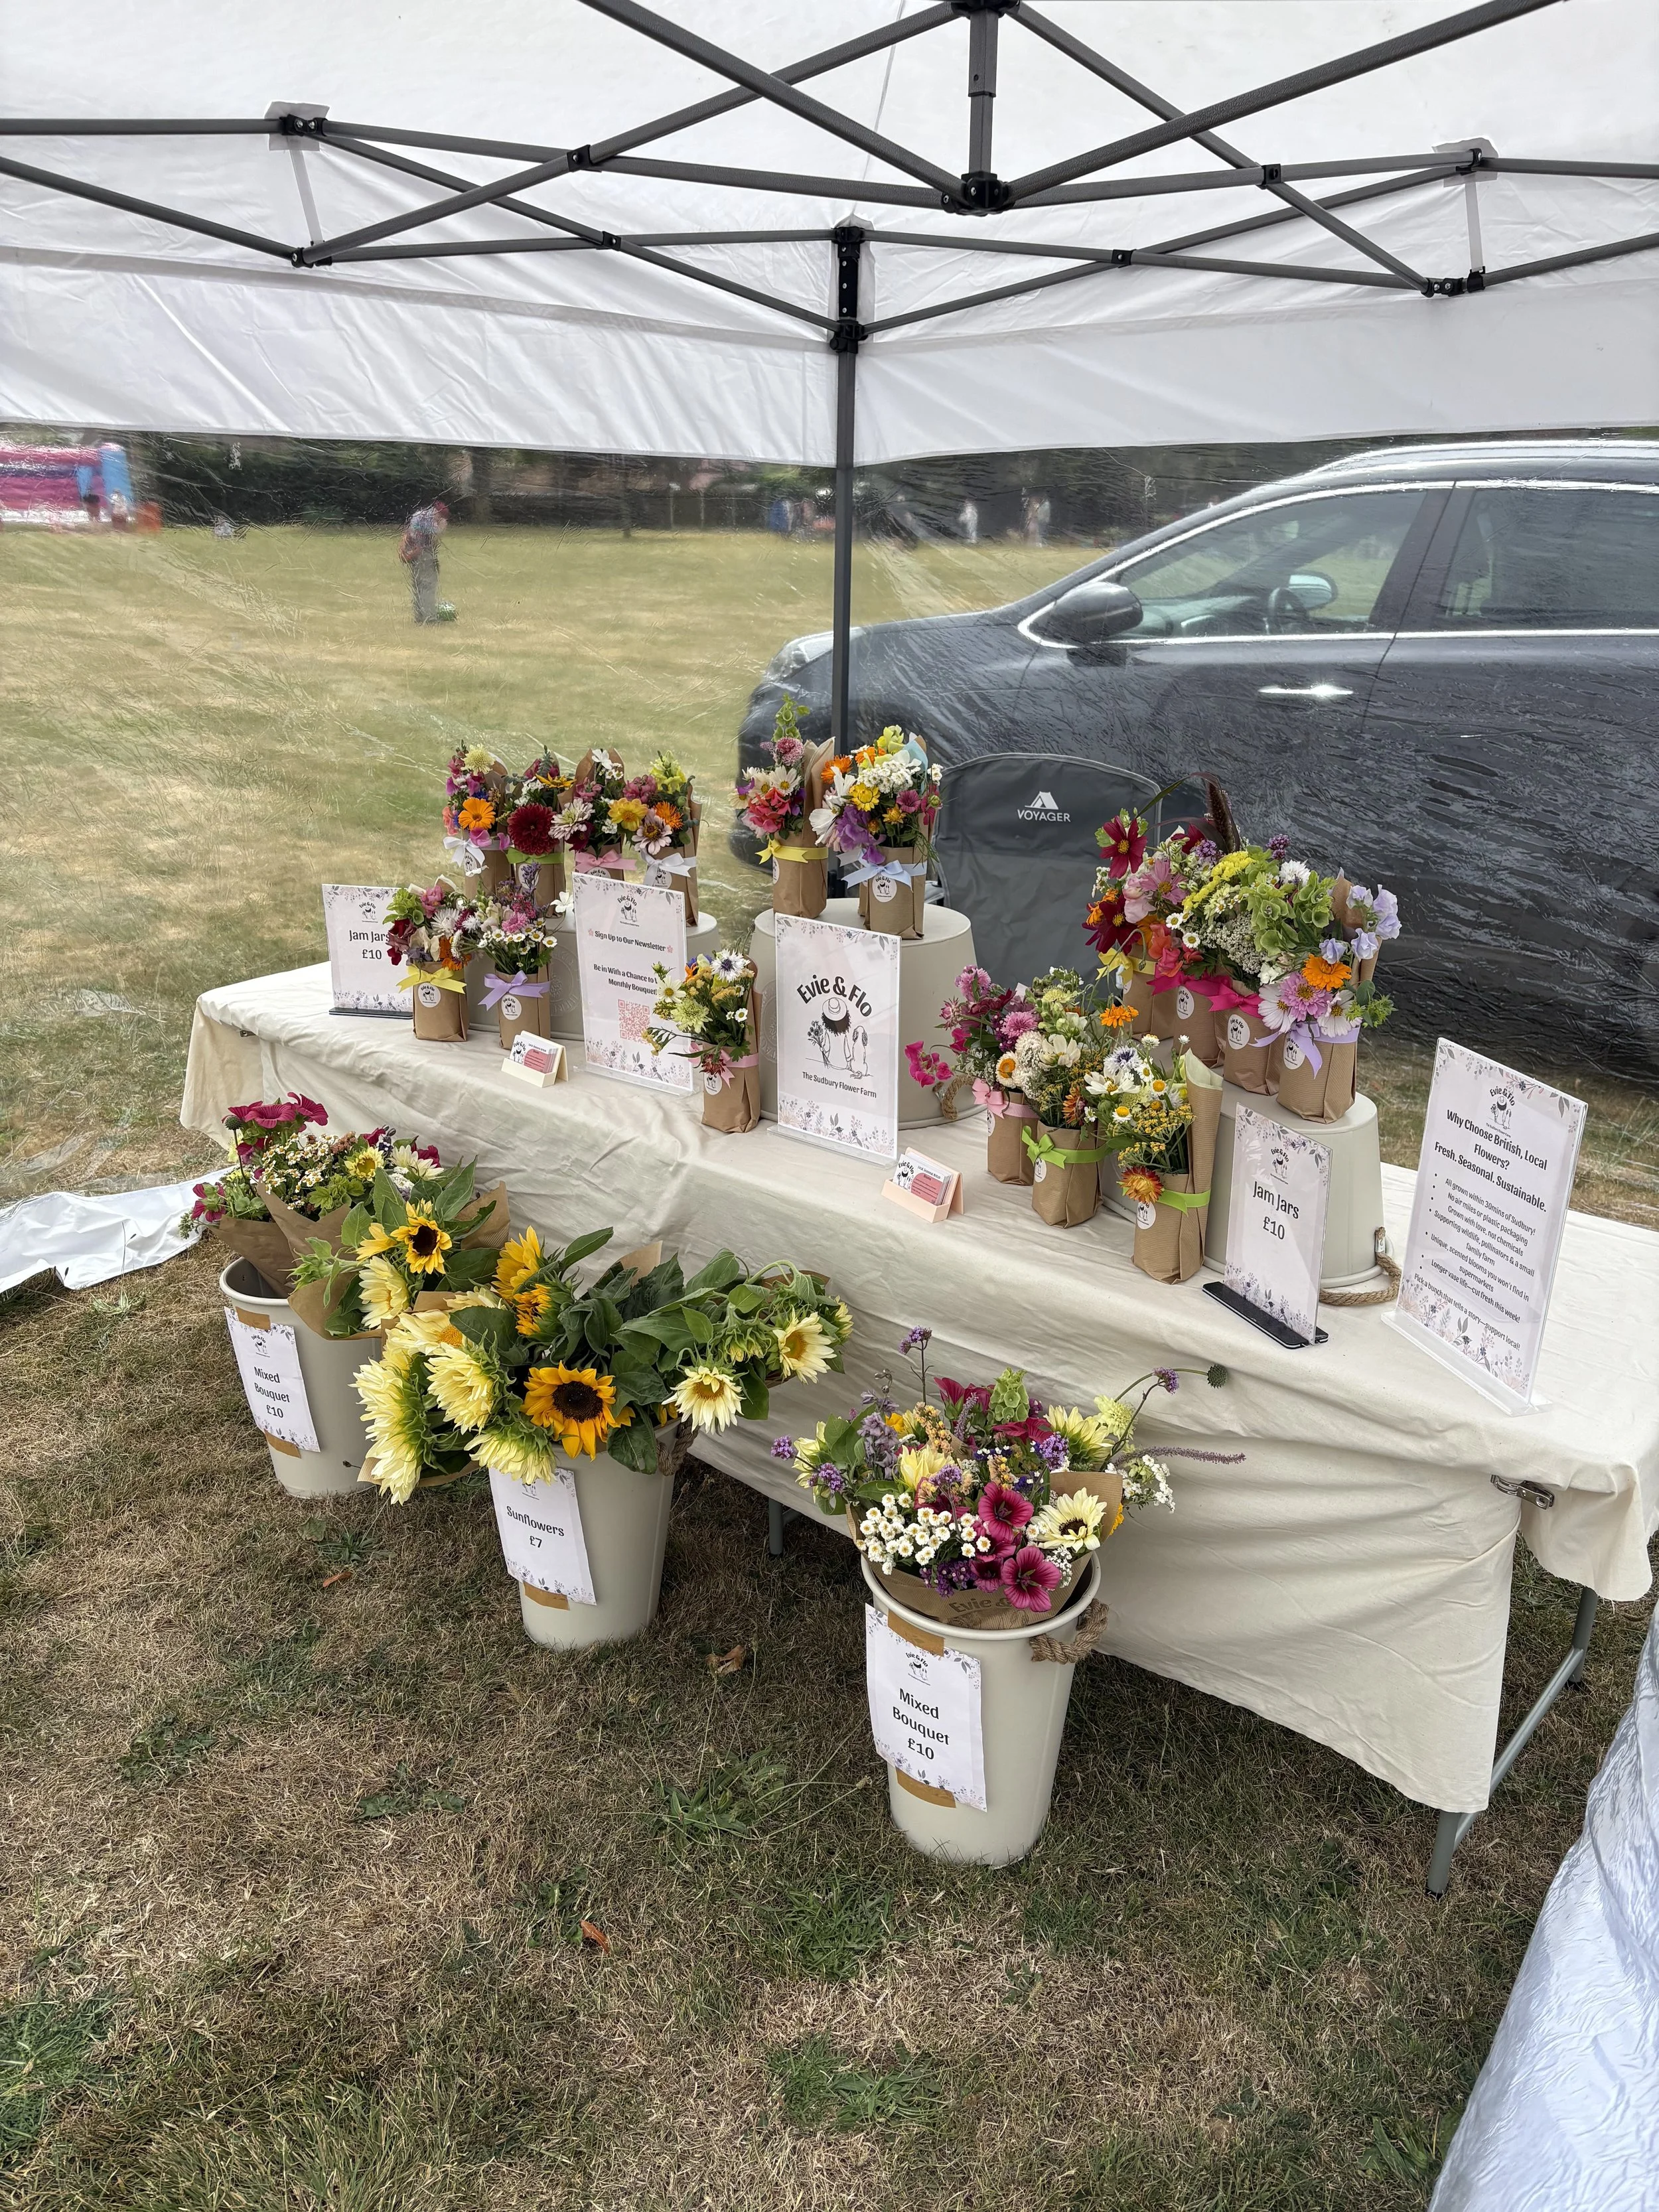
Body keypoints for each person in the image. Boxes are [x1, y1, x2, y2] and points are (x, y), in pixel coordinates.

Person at [399, 499, 449, 623]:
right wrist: (441, 526)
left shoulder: (417, 515)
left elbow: (408, 533)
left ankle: (419, 617)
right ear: (438, 513)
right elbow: (432, 539)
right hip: (424, 554)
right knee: (428, 586)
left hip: (413, 551)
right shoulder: (432, 523)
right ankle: (430, 618)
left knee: (417, 586)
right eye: (441, 516)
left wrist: (405, 551)